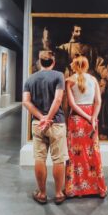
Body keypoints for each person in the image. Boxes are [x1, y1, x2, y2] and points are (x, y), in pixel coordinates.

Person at [23, 50, 68, 205]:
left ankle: (42, 194)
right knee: (58, 159)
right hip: (56, 123)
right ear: (53, 62)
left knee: (39, 158)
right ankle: (58, 193)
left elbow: (26, 102)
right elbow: (58, 100)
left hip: (38, 124)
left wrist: (41, 118)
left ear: (40, 62)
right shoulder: (59, 76)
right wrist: (48, 118)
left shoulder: (30, 79)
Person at [65, 55, 107, 198]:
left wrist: (87, 117)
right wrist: (93, 117)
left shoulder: (70, 81)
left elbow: (72, 105)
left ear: (75, 66)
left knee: (75, 153)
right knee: (92, 151)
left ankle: (73, 189)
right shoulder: (94, 80)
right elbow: (99, 101)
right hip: (91, 116)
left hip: (77, 119)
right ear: (86, 65)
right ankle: (98, 188)